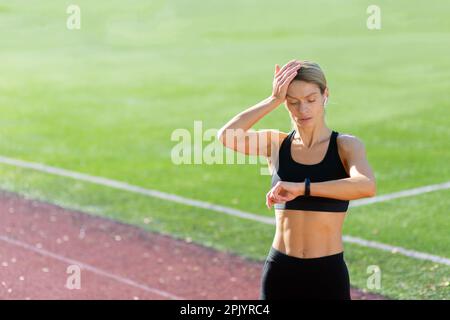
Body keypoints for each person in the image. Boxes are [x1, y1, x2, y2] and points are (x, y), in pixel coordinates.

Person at [217, 59, 377, 299]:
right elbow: (227, 136)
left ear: (325, 95)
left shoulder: (345, 146)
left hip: (327, 273)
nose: (303, 110)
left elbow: (366, 185)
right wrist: (272, 100)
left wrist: (301, 188)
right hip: (280, 271)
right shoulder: (276, 144)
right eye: (293, 102)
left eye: (311, 100)